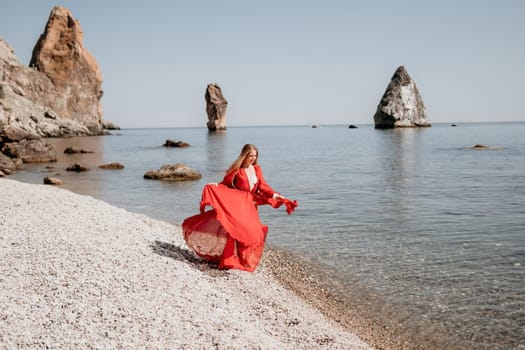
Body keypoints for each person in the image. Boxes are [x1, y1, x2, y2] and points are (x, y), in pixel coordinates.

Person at [182, 144, 297, 272]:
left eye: (255, 155)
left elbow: (263, 186)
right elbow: (225, 184)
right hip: (238, 204)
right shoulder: (236, 169)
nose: (253, 158)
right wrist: (215, 186)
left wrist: (275, 195)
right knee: (237, 231)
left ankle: (244, 260)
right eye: (250, 155)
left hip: (250, 205)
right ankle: (230, 259)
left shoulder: (257, 169)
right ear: (244, 155)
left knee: (254, 231)